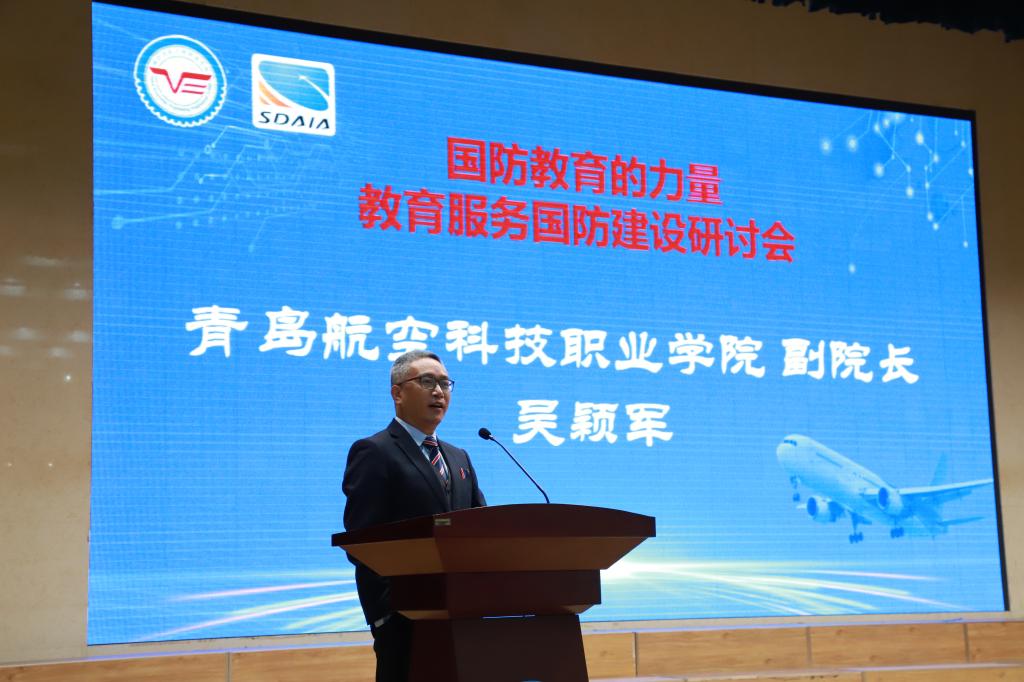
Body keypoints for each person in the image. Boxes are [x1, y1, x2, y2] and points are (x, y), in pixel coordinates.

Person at [343, 349, 487, 682]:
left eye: (445, 383)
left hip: (462, 610)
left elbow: (480, 528)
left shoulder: (459, 457)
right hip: (403, 616)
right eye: (427, 381)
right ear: (397, 393)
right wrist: (386, 612)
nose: (439, 391)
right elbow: (362, 541)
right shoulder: (374, 451)